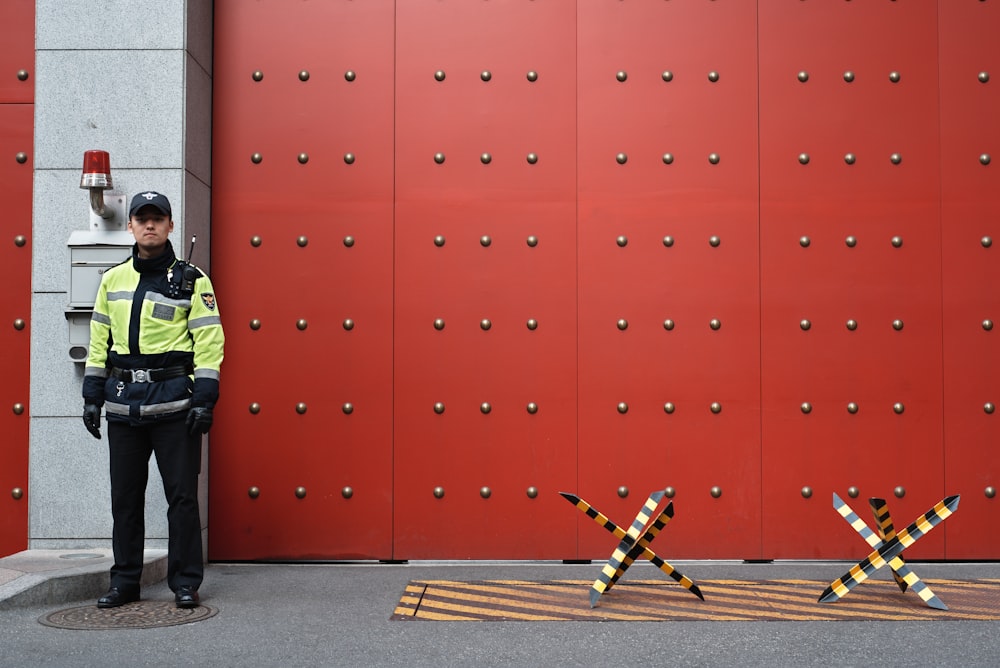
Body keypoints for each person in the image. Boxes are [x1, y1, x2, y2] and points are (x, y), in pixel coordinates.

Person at [81, 191, 224, 609]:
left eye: (157, 219)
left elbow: (210, 342)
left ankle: (184, 583)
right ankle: (125, 582)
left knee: (181, 499)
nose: (149, 225)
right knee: (125, 499)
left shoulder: (193, 280)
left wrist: (205, 398)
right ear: (129, 226)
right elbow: (98, 343)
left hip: (174, 408)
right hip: (124, 407)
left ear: (170, 225)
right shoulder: (112, 279)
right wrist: (92, 396)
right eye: (141, 219)